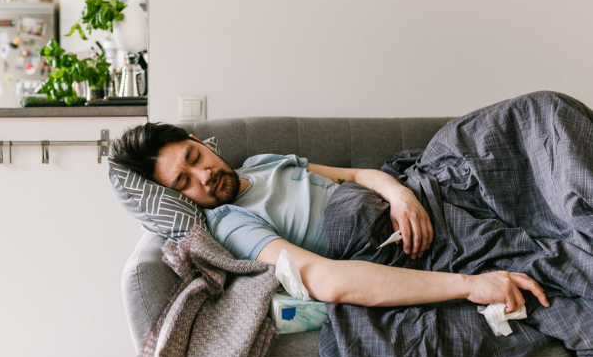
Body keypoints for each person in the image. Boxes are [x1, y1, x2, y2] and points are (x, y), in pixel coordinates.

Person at [111, 121, 550, 314]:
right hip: (381, 234)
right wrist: (469, 284)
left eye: (194, 158)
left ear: (198, 141)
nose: (203, 176)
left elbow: (359, 174)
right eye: (184, 184)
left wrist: (400, 193)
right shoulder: (230, 224)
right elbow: (325, 279)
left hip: (419, 194)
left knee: (531, 118)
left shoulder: (262, 162)